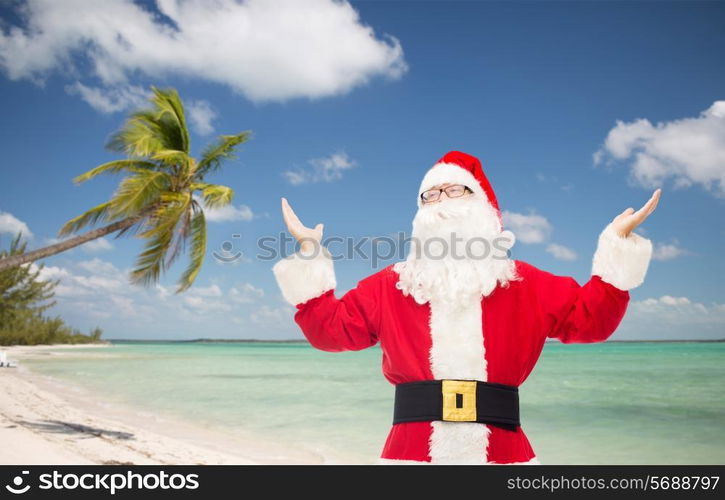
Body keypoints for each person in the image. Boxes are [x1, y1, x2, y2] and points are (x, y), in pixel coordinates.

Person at [272, 151, 660, 465]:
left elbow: (592, 320)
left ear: (484, 207)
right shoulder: (392, 285)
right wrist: (310, 257)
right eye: (431, 194)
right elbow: (331, 331)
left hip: (504, 456)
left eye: (454, 190)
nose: (441, 201)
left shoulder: (525, 283)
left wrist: (617, 248)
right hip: (410, 456)